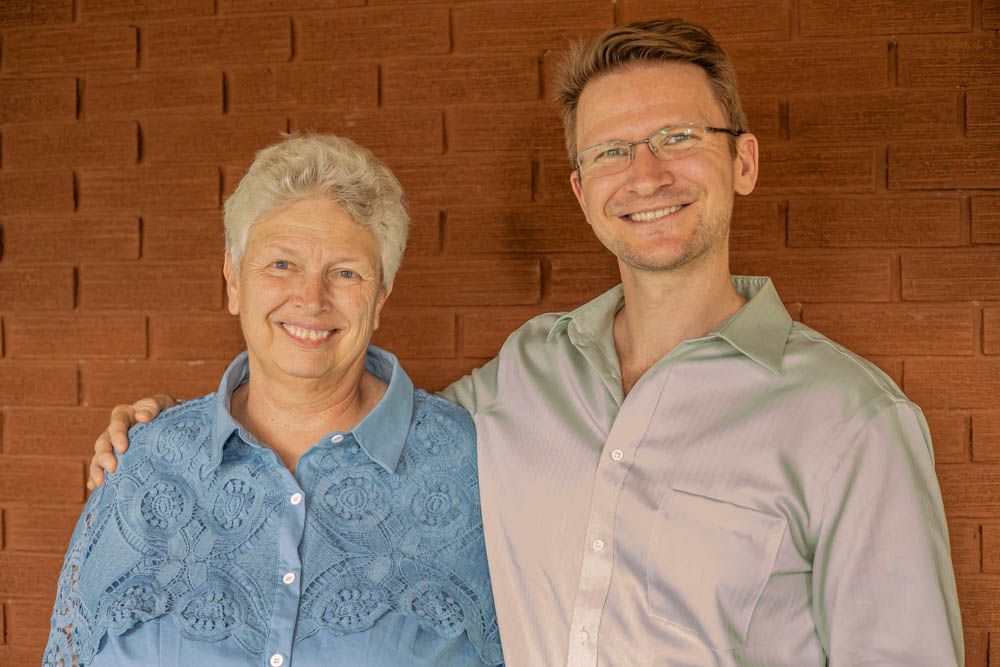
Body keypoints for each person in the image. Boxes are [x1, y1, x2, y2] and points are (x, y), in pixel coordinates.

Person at [87, 19, 963, 666]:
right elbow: (349, 415)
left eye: (681, 138)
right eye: (615, 150)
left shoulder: (853, 421)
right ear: (583, 192)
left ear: (743, 162)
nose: (648, 174)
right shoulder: (525, 373)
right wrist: (186, 435)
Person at [46, 134, 503, 666]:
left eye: (345, 272)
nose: (311, 299)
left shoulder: (475, 470)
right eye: (282, 265)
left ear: (380, 298)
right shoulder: (142, 467)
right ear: (233, 280)